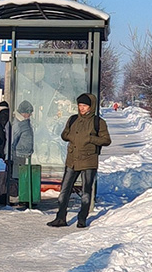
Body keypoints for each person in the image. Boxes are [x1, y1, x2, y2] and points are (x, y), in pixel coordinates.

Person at [48, 93, 112, 228]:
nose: (81, 108)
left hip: (89, 160)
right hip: (72, 159)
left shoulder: (98, 122)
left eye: (85, 106)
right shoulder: (73, 119)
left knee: (86, 191)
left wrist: (90, 139)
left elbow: (106, 140)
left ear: (91, 106)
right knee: (64, 190)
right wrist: (71, 136)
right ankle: (60, 218)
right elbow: (64, 134)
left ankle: (82, 218)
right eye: (80, 105)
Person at [11, 100, 36, 209]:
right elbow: (13, 139)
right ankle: (20, 198)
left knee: (23, 176)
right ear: (23, 112)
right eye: (29, 112)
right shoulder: (19, 123)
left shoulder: (25, 122)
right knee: (19, 177)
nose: (30, 115)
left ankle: (24, 197)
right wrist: (10, 154)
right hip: (19, 154)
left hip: (25, 153)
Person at [0, 100, 13, 206]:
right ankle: (4, 195)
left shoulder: (2, 115)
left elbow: (2, 135)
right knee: (7, 173)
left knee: (3, 174)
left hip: (4, 149)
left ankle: (3, 195)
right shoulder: (8, 115)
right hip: (6, 149)